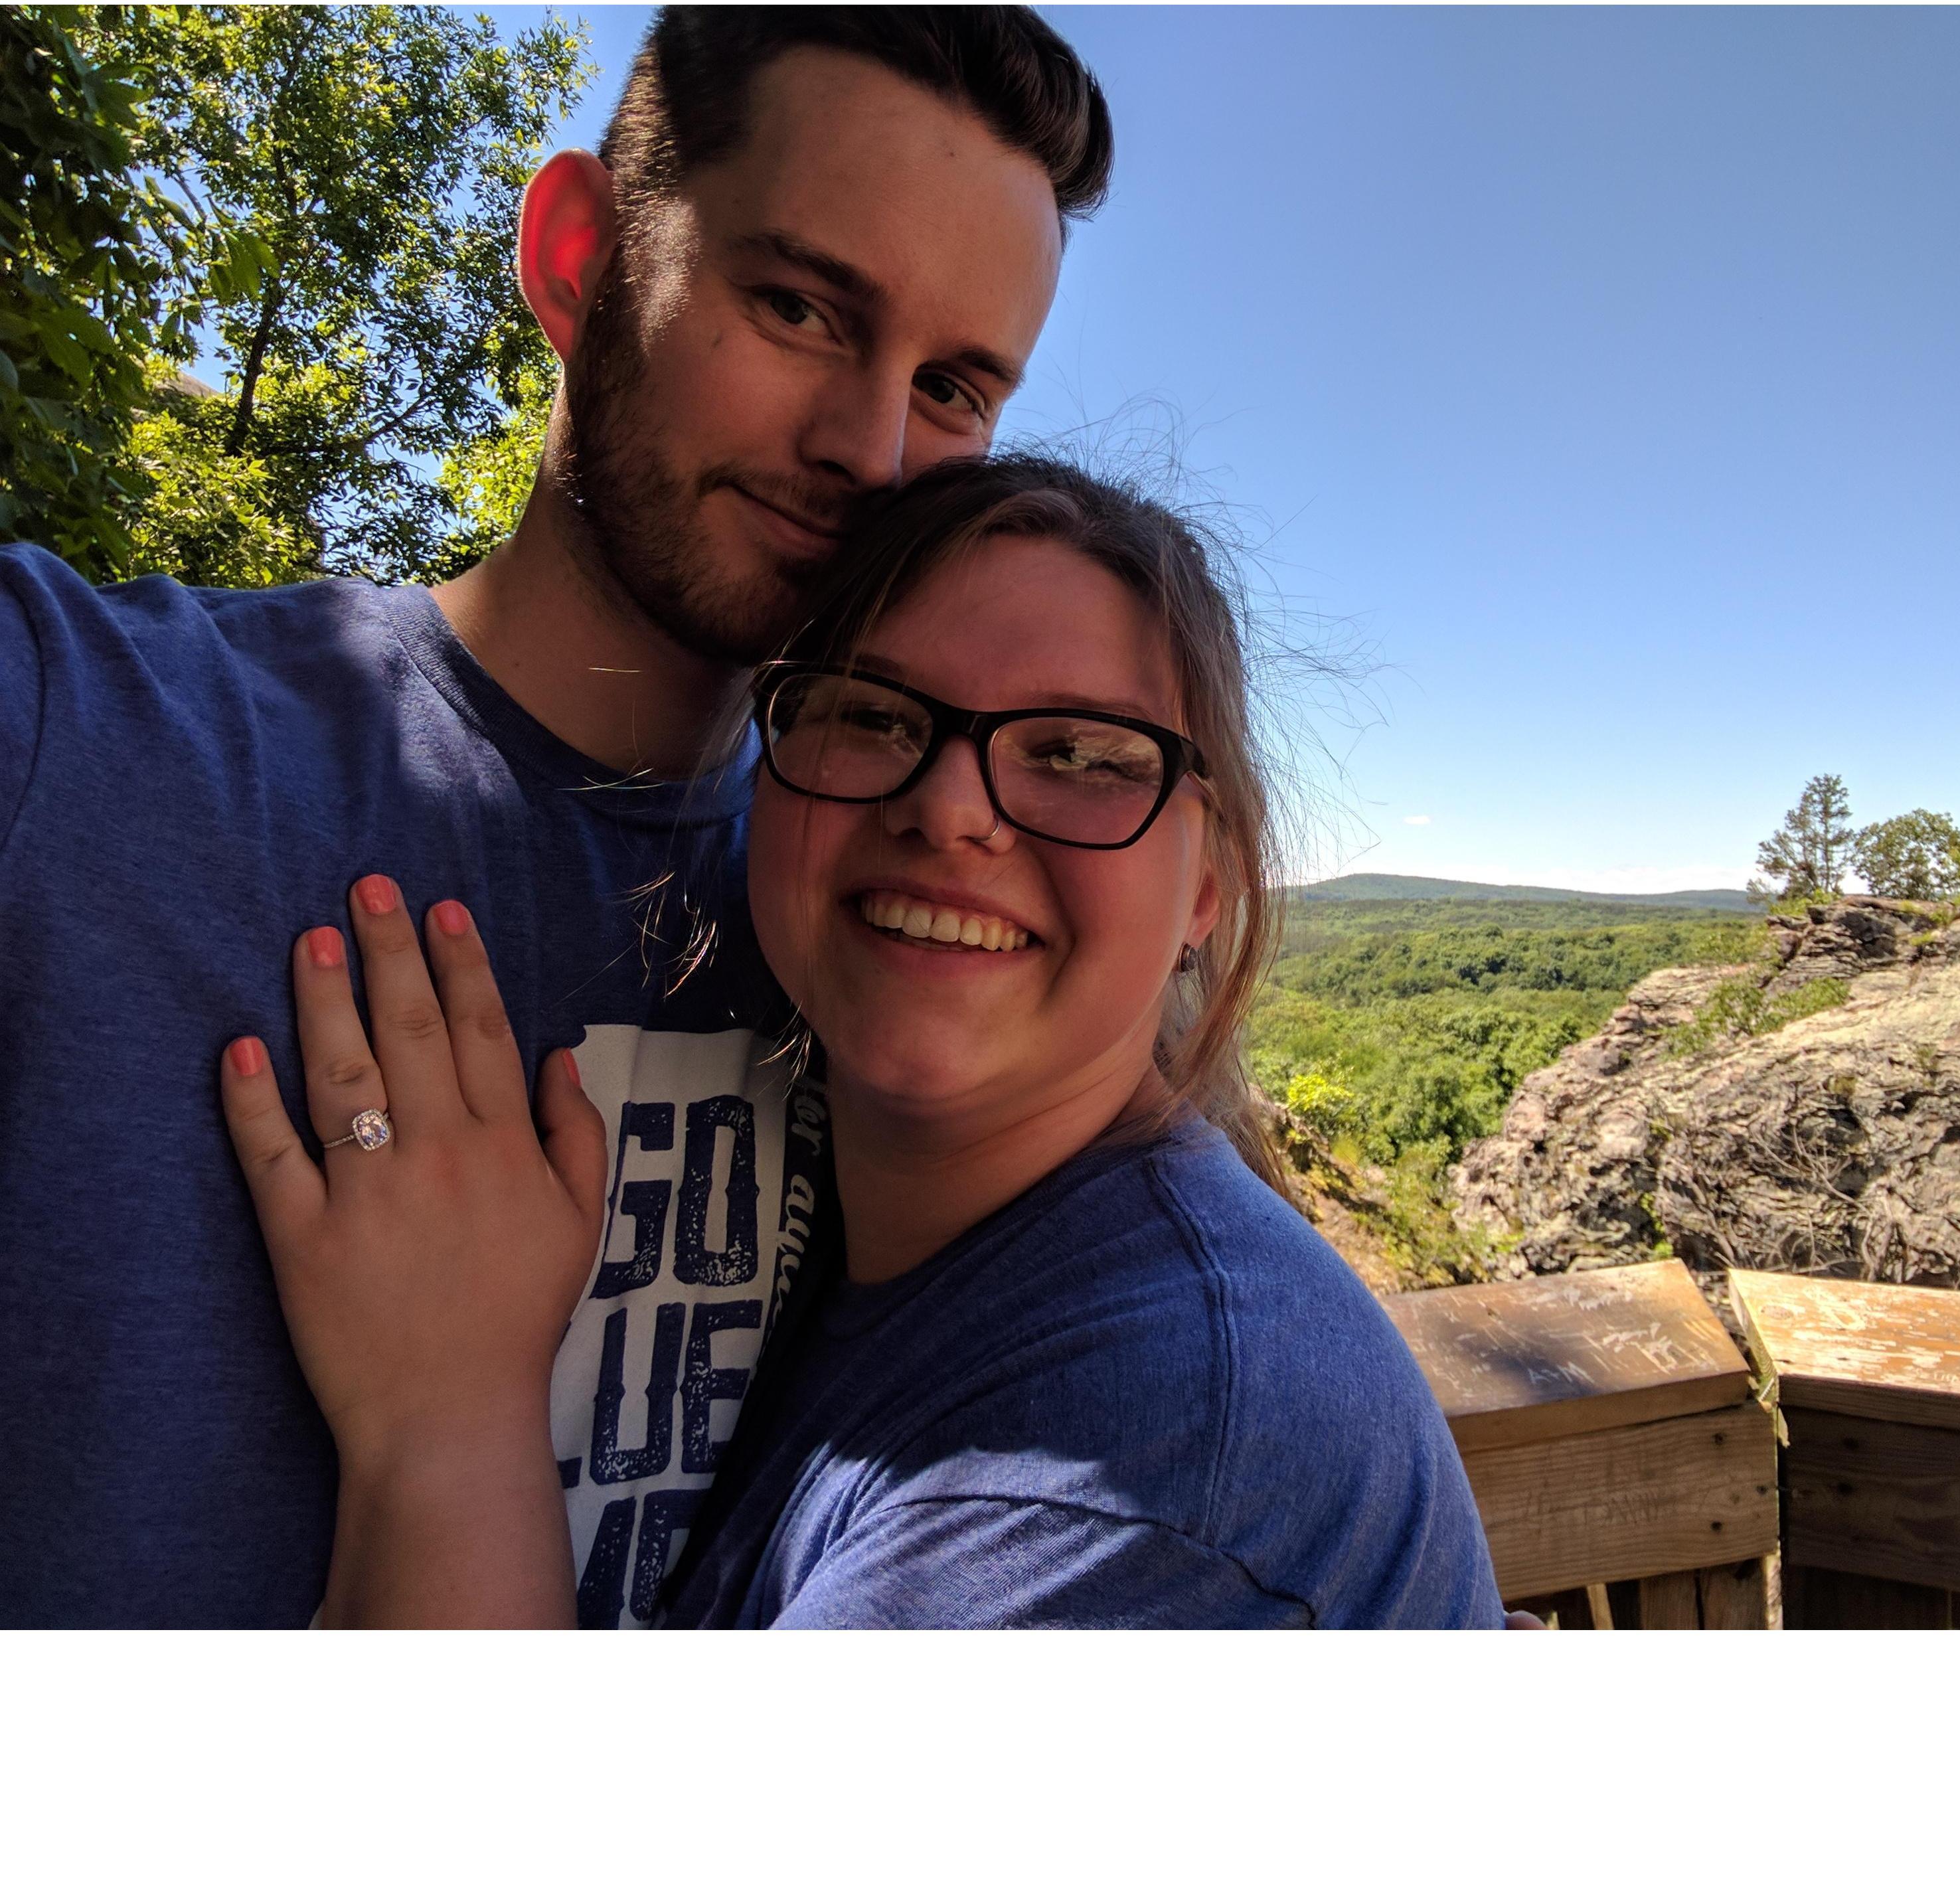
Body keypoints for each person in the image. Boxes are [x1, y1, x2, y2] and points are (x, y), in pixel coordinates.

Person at [0, 8, 1111, 1627]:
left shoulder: (903, 934)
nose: (870, 454)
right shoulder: (84, 733)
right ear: (579, 255)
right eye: (799, 307)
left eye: (950, 387)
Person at [219, 456, 1507, 1627]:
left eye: (1078, 753)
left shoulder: (1147, 1459)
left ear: (1209, 887)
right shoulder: (903, 1253)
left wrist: (448, 1424)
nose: (948, 808)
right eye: (874, 715)